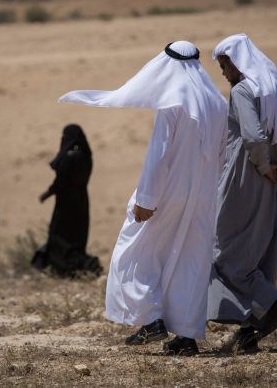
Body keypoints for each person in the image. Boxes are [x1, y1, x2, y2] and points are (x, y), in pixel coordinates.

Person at [59, 41, 228, 356]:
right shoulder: (218, 102)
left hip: (167, 195)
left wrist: (146, 199)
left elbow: (158, 156)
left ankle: (151, 320)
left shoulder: (173, 104)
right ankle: (186, 336)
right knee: (190, 261)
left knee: (136, 250)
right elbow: (222, 155)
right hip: (202, 197)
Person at [207, 34, 277, 354]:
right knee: (257, 252)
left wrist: (262, 166)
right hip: (273, 182)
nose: (222, 72)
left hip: (245, 180)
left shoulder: (243, 90)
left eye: (223, 64)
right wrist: (273, 170)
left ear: (235, 61)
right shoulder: (276, 92)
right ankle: (248, 332)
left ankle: (272, 304)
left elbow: (253, 136)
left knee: (224, 251)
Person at [32, 124, 102, 277]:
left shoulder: (70, 157)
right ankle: (76, 268)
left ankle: (64, 269)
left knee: (60, 236)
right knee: (76, 237)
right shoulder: (86, 156)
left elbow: (61, 181)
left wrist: (47, 194)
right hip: (81, 202)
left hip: (66, 204)